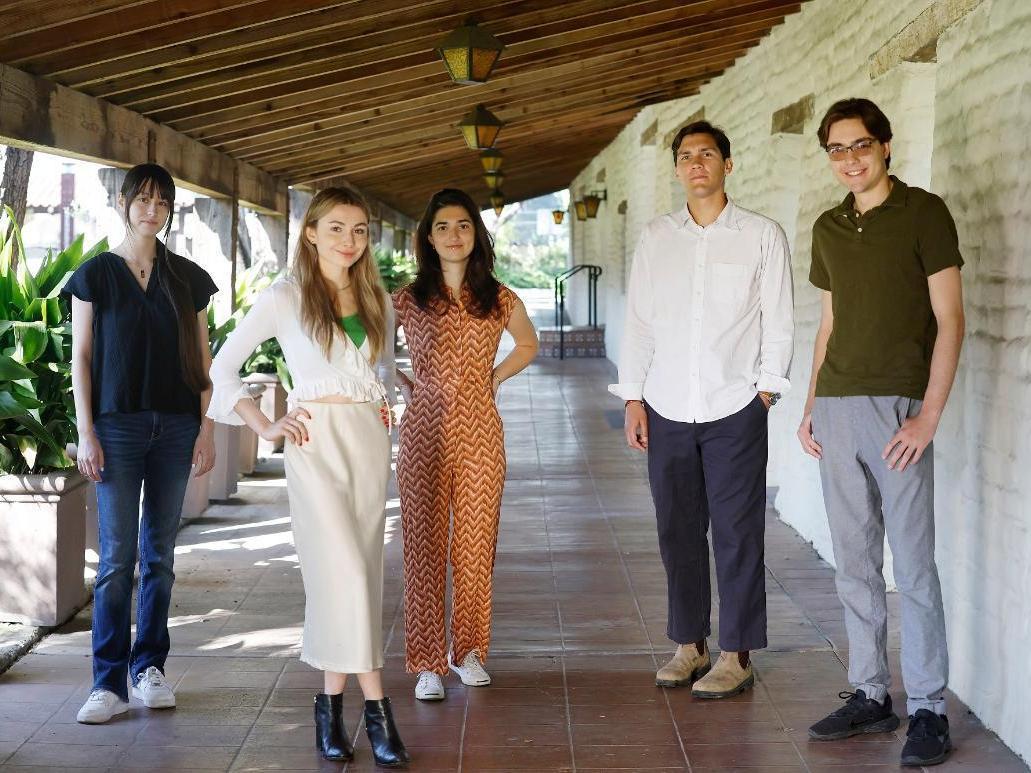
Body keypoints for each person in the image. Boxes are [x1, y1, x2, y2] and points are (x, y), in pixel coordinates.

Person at [207, 187, 408, 767]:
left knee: (354, 576)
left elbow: (379, 371)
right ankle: (378, 711)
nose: (350, 240)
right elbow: (222, 367)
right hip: (314, 444)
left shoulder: (376, 298)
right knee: (345, 572)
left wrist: (385, 406)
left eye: (360, 230)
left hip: (368, 445)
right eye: (337, 228)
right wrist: (266, 425)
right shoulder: (285, 296)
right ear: (312, 233)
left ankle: (329, 710)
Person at [800, 98, 964, 768]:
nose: (849, 159)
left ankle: (928, 706)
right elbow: (829, 323)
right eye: (836, 149)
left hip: (900, 409)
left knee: (913, 565)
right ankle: (871, 693)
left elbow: (950, 319)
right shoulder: (828, 226)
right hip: (836, 407)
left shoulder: (924, 213)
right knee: (855, 563)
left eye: (860, 145)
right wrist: (810, 404)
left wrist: (928, 415)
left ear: (885, 145)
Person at [611, 121, 794, 698]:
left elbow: (779, 319)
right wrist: (633, 397)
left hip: (735, 406)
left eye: (707, 154)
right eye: (686, 156)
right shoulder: (656, 237)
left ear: (727, 165)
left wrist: (765, 394)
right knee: (677, 530)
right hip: (666, 404)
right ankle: (690, 645)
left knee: (738, 532)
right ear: (676, 169)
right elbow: (640, 322)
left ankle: (737, 654)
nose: (696, 164)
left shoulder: (761, 235)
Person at [67, 163, 218, 724]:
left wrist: (205, 428)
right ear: (124, 203)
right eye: (143, 200)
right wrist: (86, 431)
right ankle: (107, 683)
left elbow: (202, 360)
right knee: (116, 559)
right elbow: (82, 357)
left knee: (160, 556)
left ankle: (149, 667)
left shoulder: (188, 278)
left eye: (162, 202)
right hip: (117, 428)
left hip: (176, 425)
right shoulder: (95, 275)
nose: (152, 211)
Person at [394, 188, 538, 701]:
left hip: (480, 431)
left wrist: (494, 376)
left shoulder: (499, 297)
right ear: (428, 239)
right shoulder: (407, 298)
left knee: (476, 546)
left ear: (476, 234)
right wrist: (398, 380)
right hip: (422, 431)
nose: (453, 235)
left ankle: (469, 651)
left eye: (462, 225)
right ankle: (428, 664)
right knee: (423, 546)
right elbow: (365, 346)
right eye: (443, 227)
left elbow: (528, 343)